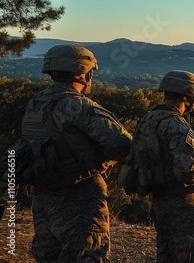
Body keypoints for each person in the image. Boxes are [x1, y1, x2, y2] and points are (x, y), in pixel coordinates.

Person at [20, 44, 132, 262]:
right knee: (87, 255)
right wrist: (97, 162)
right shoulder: (76, 104)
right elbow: (122, 143)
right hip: (80, 198)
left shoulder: (36, 104)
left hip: (42, 197)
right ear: (83, 72)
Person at [134, 70, 194, 263]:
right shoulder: (177, 125)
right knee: (192, 256)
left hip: (159, 203)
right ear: (189, 97)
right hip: (183, 206)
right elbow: (188, 170)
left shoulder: (148, 120)